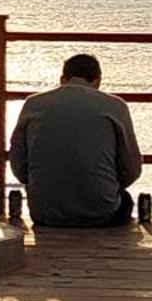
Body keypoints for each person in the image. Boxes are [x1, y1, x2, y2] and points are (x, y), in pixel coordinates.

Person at [9, 52, 142, 229]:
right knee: (124, 202)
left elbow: (18, 161)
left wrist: (36, 181)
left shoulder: (33, 104)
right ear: (98, 81)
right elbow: (131, 167)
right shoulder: (115, 106)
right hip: (100, 212)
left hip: (44, 212)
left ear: (63, 78)